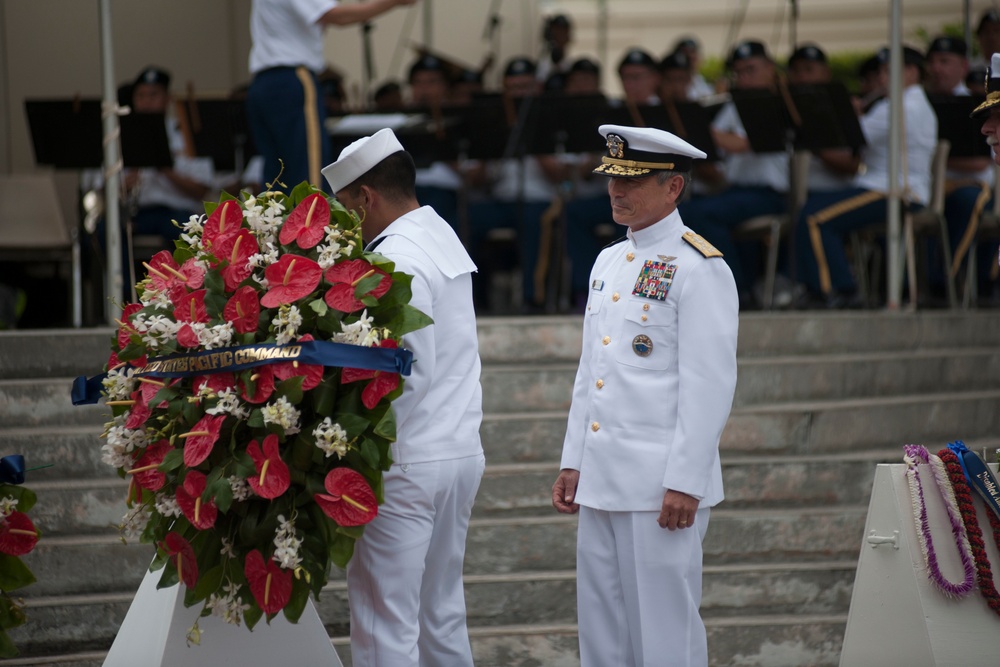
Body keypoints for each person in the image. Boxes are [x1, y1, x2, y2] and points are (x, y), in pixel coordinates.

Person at [552, 123, 738, 667]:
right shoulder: (609, 261)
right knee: (603, 634)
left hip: (661, 486)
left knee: (664, 636)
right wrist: (574, 461)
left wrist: (686, 480)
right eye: (612, 178)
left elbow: (709, 381)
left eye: (632, 180)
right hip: (603, 477)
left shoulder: (699, 266)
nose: (617, 191)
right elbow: (593, 369)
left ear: (673, 187)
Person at [321, 128, 485, 666]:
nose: (344, 224)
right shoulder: (437, 235)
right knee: (439, 615)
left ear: (366, 197)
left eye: (346, 208)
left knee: (384, 622)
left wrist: (345, 448)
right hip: (455, 451)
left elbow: (402, 375)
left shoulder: (395, 257)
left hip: (405, 458)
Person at [794, 46, 937, 306]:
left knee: (815, 217)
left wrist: (851, 113)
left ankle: (838, 290)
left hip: (894, 191)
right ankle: (824, 286)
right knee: (814, 210)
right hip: (885, 186)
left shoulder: (901, 106)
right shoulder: (901, 103)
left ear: (912, 72)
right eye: (881, 72)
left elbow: (848, 135)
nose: (882, 78)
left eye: (888, 71)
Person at [246, 0, 416, 192]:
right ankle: (311, 221)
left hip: (263, 80)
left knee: (277, 175)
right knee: (308, 175)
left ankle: (274, 222)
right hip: (292, 77)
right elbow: (334, 16)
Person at [678, 40, 788, 305]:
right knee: (685, 210)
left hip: (770, 194)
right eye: (739, 73)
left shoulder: (779, 103)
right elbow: (711, 144)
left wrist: (695, 125)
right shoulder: (735, 105)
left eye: (751, 70)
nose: (744, 79)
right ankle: (713, 286)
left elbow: (739, 144)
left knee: (704, 213)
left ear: (770, 69)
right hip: (737, 191)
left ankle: (733, 289)